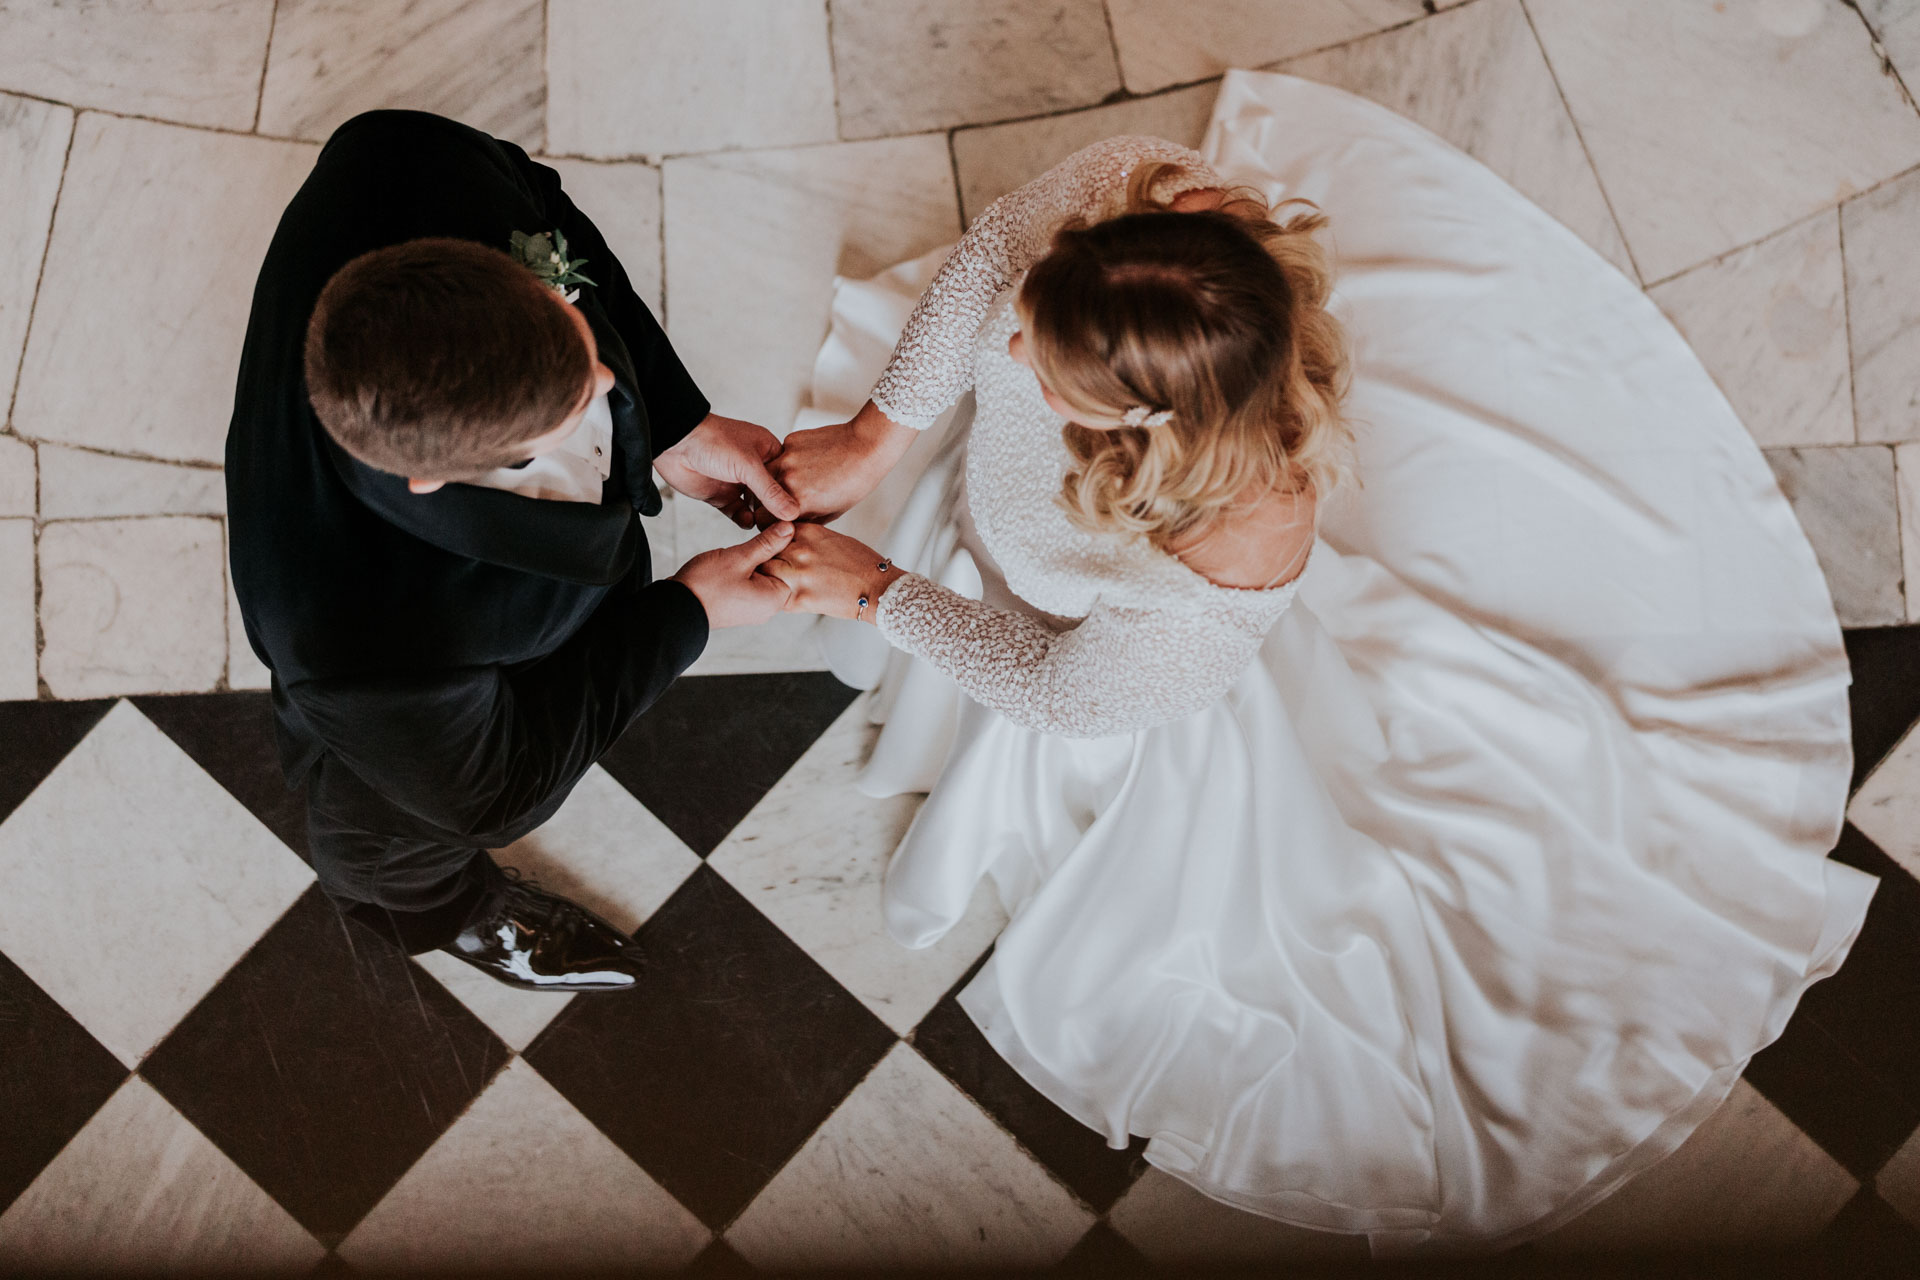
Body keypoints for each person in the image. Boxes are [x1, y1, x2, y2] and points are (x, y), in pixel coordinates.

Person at [762, 71, 1877, 1253]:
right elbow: (997, 255)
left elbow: (1066, 693)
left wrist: (881, 592)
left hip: (1085, 641)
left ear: (1151, 427)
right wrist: (883, 429)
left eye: (1049, 375)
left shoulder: (1233, 535)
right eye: (1036, 329)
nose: (1019, 363)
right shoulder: (1136, 198)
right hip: (1015, 527)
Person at [226, 110, 798, 992]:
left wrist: (680, 424)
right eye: (571, 413)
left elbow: (544, 210)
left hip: (517, 619)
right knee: (391, 842)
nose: (610, 387)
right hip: (400, 758)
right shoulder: (356, 633)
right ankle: (443, 918)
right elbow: (496, 791)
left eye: (577, 345)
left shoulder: (400, 155)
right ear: (432, 479)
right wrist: (690, 613)